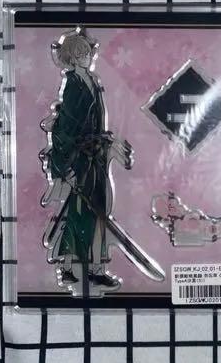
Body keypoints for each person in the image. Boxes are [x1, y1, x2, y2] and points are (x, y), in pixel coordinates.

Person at [38, 27, 144, 293]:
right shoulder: (73, 85)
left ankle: (96, 269)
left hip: (95, 157)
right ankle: (68, 267)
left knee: (99, 212)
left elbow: (96, 121)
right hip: (79, 160)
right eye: (81, 54)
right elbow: (65, 129)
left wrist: (105, 143)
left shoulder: (92, 81)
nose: (87, 57)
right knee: (79, 215)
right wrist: (67, 167)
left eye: (87, 53)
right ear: (72, 58)